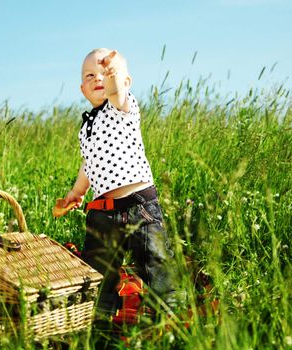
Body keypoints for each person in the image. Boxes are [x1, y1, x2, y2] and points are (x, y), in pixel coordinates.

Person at [62, 48, 182, 320]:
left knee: (155, 263)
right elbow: (88, 163)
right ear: (82, 89)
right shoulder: (86, 127)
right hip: (102, 213)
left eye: (106, 73)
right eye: (90, 75)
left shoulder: (123, 107)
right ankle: (100, 322)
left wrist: (114, 75)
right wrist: (76, 192)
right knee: (98, 271)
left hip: (140, 206)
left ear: (126, 82)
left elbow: (115, 92)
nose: (98, 78)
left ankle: (172, 317)